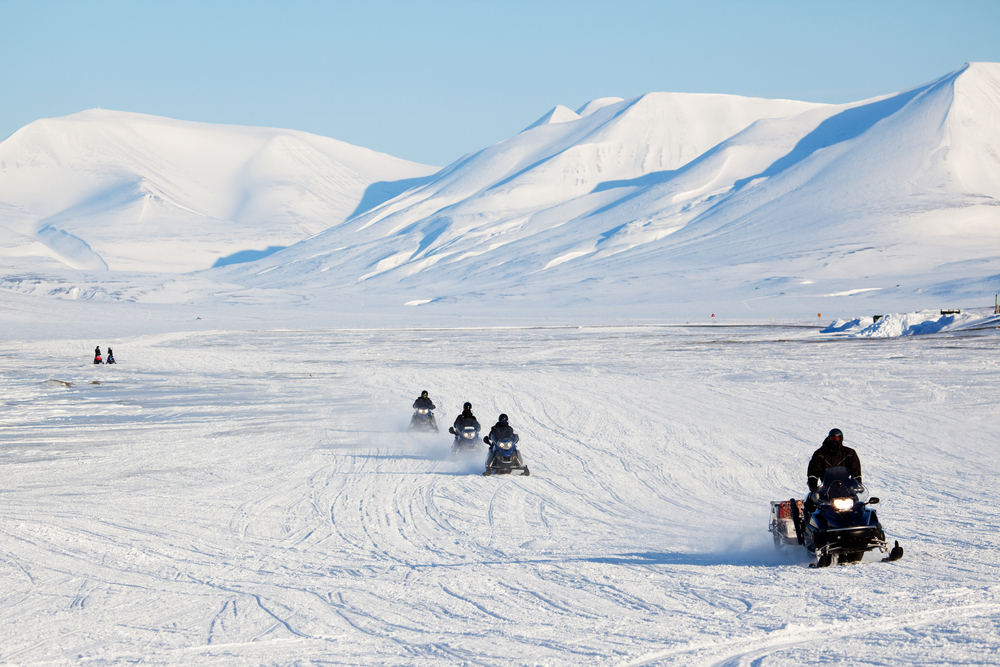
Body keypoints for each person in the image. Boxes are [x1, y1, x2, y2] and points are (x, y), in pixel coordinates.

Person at [803, 428, 862, 515]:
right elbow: (814, 470)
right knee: (811, 504)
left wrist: (857, 484)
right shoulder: (820, 454)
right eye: (833, 438)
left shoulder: (849, 453)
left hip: (846, 488)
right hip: (826, 488)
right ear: (829, 438)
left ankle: (863, 524)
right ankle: (807, 523)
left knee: (859, 506)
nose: (835, 441)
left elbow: (856, 470)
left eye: (838, 439)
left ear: (841, 439)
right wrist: (813, 485)